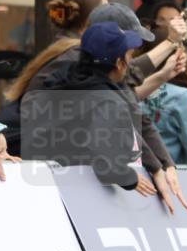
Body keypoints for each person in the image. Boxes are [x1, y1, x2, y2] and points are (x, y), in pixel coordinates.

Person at [25, 22, 176, 203]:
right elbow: (107, 166)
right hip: (74, 199)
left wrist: (157, 166)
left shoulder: (62, 78)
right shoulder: (108, 102)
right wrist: (131, 178)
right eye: (129, 56)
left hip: (36, 188)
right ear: (119, 64)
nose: (130, 61)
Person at [0, 0, 109, 153]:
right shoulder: (77, 53)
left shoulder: (65, 46)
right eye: (105, 7)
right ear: (91, 17)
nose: (111, 14)